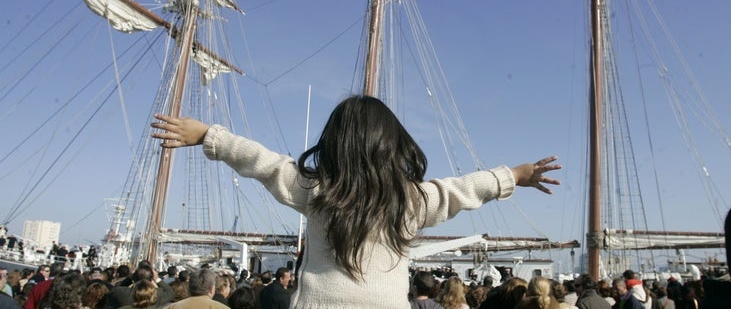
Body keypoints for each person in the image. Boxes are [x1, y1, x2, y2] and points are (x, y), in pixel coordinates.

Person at [152, 95, 562, 308]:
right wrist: (513, 176)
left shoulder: (316, 192)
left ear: (335, 143)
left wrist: (210, 136)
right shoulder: (411, 201)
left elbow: (265, 163)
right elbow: (461, 189)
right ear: (392, 144)